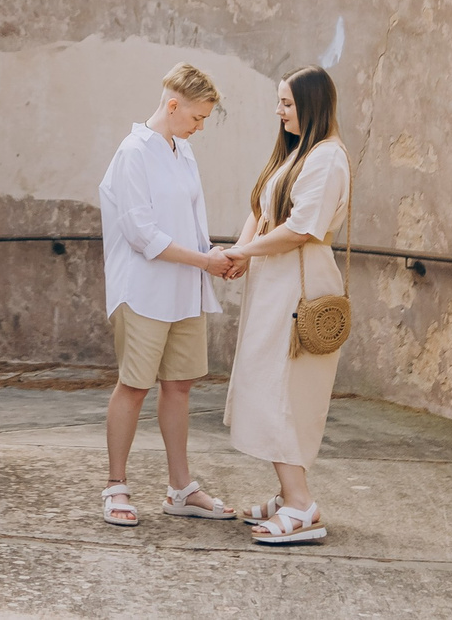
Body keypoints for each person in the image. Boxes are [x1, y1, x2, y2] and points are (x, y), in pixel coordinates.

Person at [95, 62, 242, 528]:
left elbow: (190, 222)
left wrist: (215, 254)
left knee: (178, 386)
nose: (200, 127)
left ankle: (180, 488)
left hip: (184, 289)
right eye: (197, 117)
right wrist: (206, 262)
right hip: (141, 291)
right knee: (135, 386)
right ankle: (116, 486)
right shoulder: (132, 152)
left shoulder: (182, 150)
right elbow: (142, 235)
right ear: (173, 105)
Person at [221, 66, 350, 546]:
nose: (278, 111)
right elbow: (262, 207)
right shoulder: (300, 153)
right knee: (267, 383)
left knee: (282, 390)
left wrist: (243, 254)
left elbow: (300, 229)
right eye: (279, 102)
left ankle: (301, 505)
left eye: (287, 104)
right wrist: (240, 250)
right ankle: (287, 492)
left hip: (298, 285)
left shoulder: (327, 160)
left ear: (312, 105)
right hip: (275, 284)